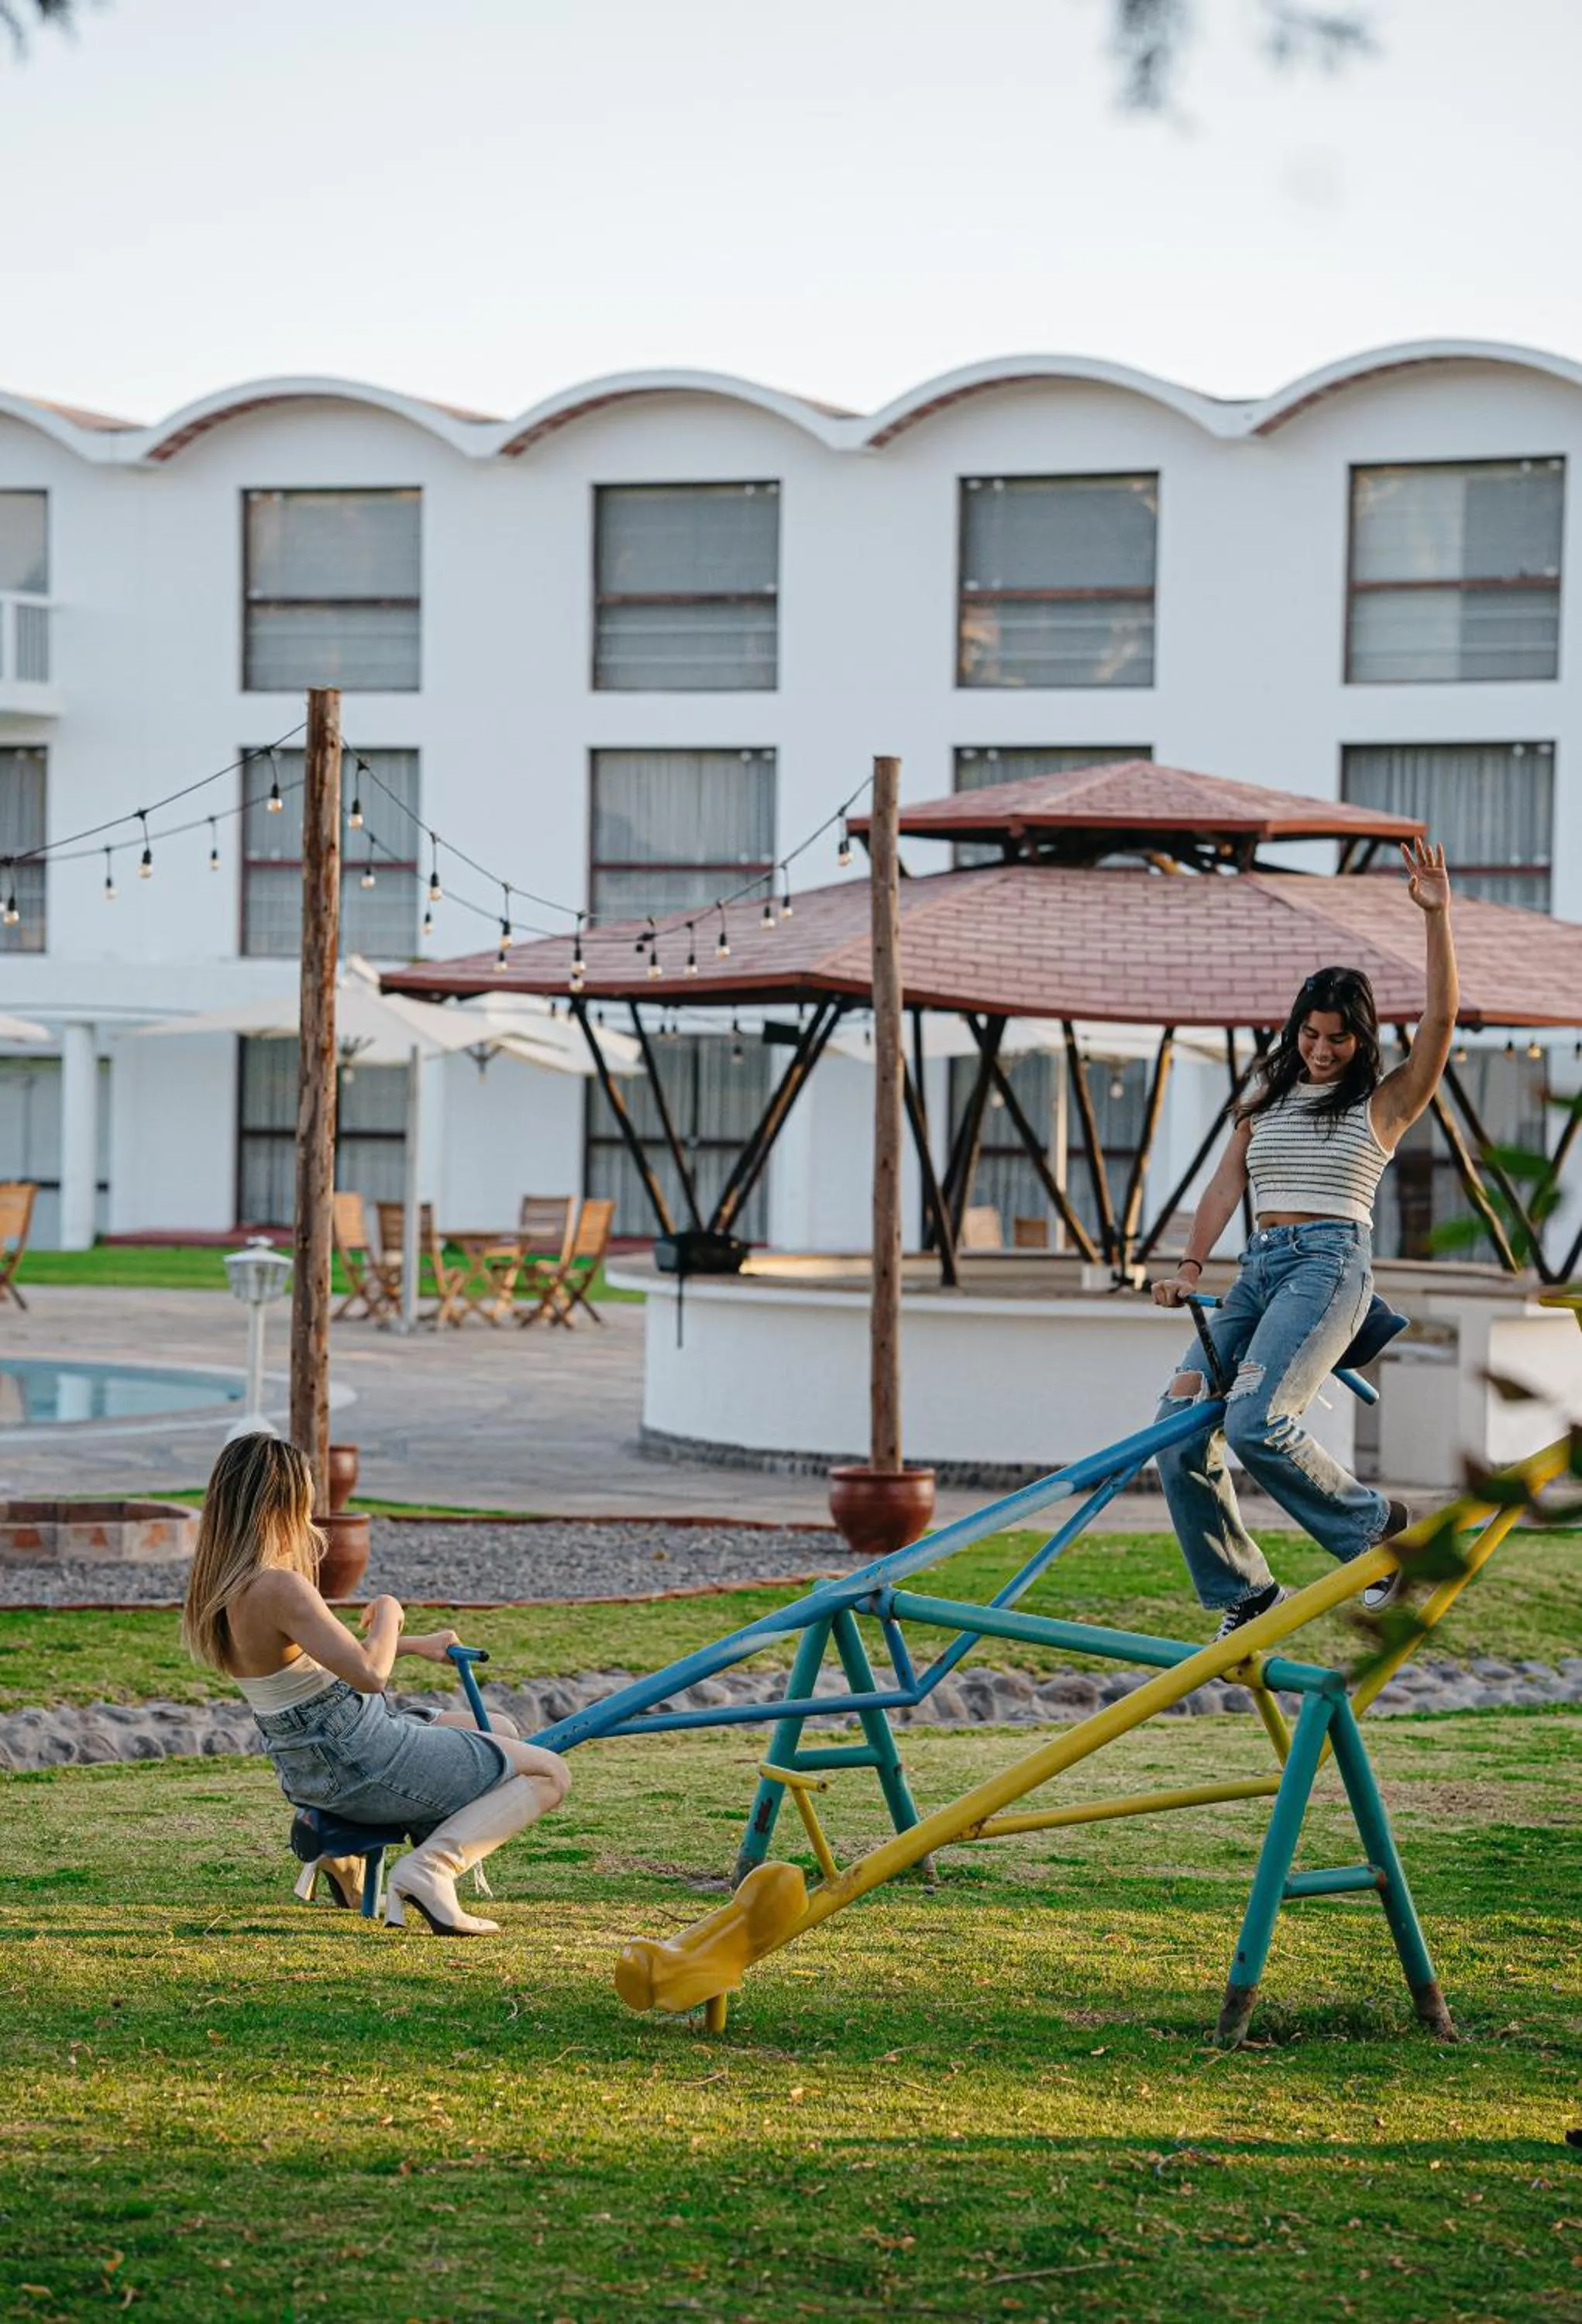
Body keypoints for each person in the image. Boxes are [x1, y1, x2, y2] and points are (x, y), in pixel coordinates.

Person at [1150, 836, 1457, 1638]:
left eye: (1337, 1039)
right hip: (1259, 1268)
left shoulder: (1382, 1104)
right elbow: (1224, 1186)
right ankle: (1245, 1592)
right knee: (1172, 1430)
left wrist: (1435, 919)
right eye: (1309, 1036)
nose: (1320, 1051)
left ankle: (1379, 1534)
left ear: (1361, 1039)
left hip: (1328, 1265)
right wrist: (1187, 1264)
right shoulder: (1264, 1102)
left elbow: (1441, 1018)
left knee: (1254, 1420)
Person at [181, 1433, 570, 1934]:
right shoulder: (279, 1585)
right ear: (280, 1504)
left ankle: (347, 1856)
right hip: (360, 1755)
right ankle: (430, 1870)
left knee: (498, 1728)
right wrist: (389, 1611)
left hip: (316, 1760)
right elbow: (369, 1674)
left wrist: (415, 1643)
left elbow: (313, 1666)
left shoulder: (223, 1588)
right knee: (549, 1774)